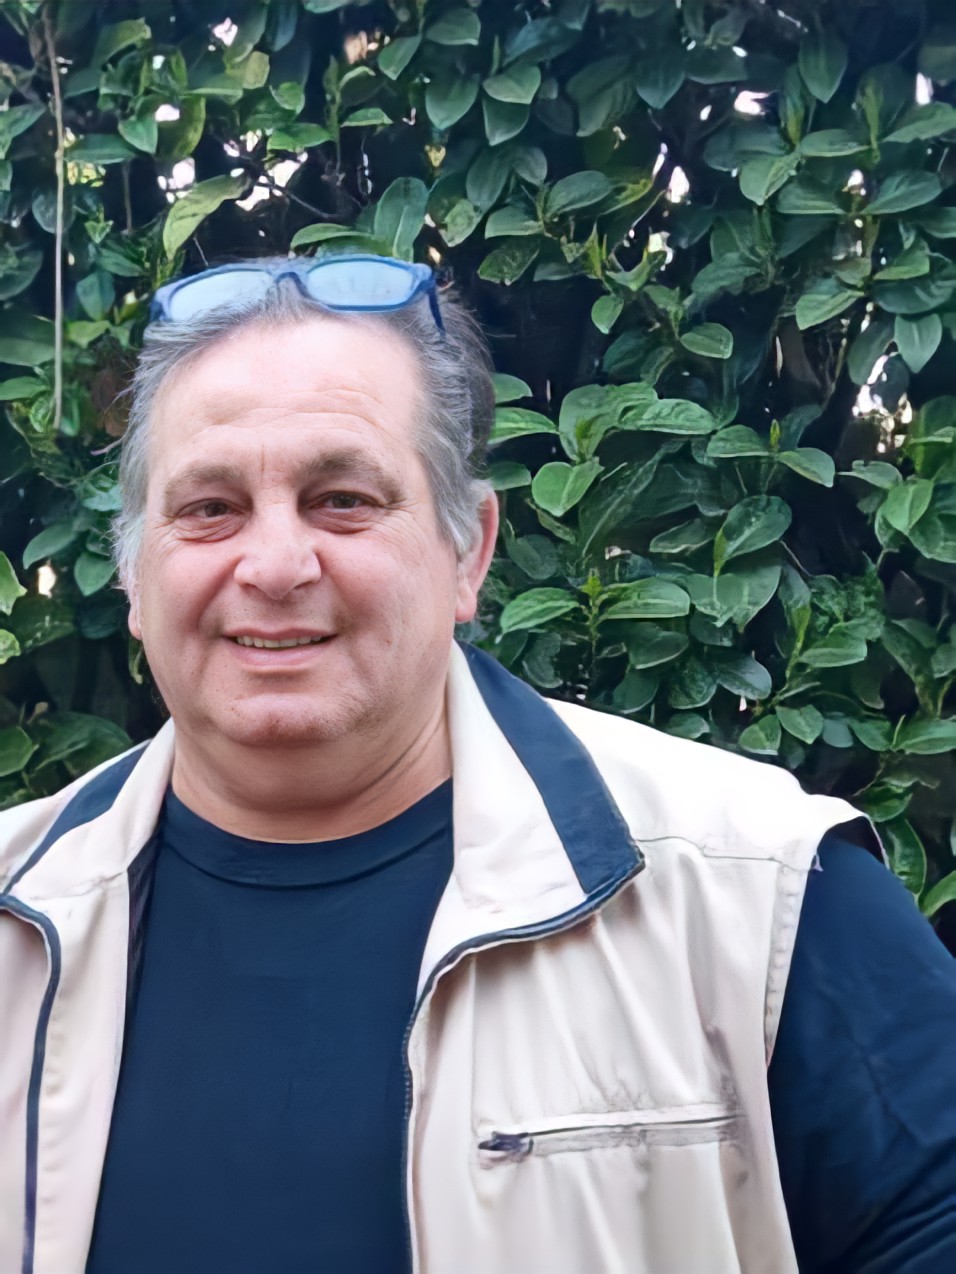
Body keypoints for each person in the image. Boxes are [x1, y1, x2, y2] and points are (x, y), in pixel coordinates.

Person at [0, 255, 953, 1274]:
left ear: (468, 551)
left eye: (342, 499)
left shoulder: (756, 896)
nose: (274, 565)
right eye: (208, 508)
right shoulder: (16, 919)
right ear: (135, 572)